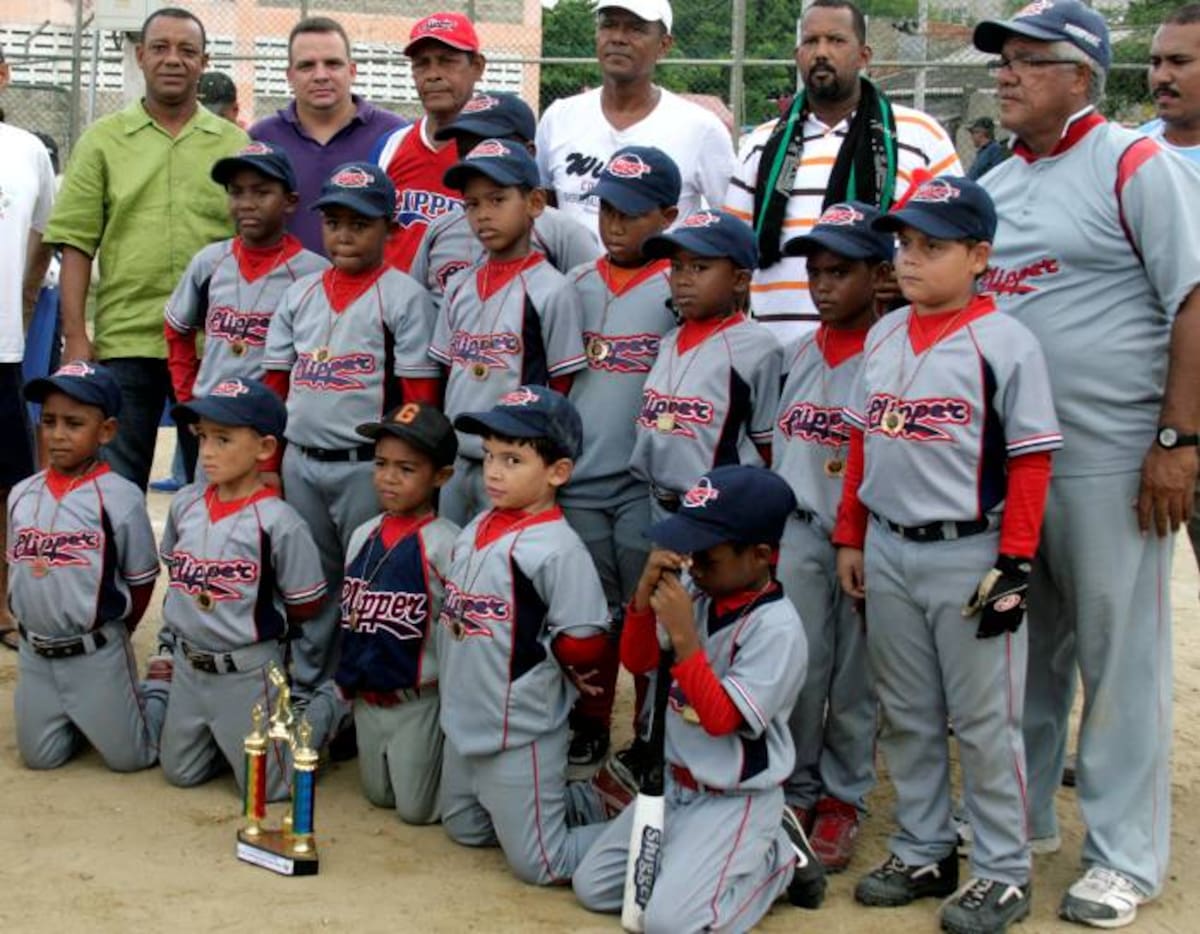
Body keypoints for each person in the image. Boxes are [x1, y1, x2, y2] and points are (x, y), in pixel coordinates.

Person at [973, 1, 1200, 924]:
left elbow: (1193, 301)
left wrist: (1178, 444)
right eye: (1005, 61)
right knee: (1018, 652)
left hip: (1115, 459)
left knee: (1121, 661)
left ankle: (1124, 855)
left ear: (1082, 77)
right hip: (1016, 465)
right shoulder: (1002, 178)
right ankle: (1020, 823)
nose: (1008, 75)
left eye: (1030, 61)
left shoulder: (1135, 164)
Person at [832, 176, 1061, 934]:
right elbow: (862, 439)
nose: (911, 259)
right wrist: (850, 534)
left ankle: (1001, 869)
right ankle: (925, 846)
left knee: (985, 719)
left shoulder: (1006, 341)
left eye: (934, 246)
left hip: (973, 554)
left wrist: (1016, 563)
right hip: (891, 546)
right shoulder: (886, 333)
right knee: (908, 713)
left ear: (980, 256)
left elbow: (1030, 461)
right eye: (904, 244)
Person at [572, 465, 828, 929]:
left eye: (708, 555)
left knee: (669, 925)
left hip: (735, 799)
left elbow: (721, 719)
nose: (693, 562)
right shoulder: (697, 591)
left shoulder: (778, 629)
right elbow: (637, 660)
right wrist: (642, 597)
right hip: (673, 789)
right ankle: (703, 865)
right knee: (594, 888)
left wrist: (685, 636)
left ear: (760, 555)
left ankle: (777, 859)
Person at [42, 8, 248, 491]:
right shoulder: (103, 141)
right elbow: (75, 242)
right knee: (116, 487)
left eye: (187, 51)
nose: (173, 60)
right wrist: (76, 337)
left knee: (217, 489)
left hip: (213, 347)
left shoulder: (236, 145)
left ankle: (207, 569)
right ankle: (123, 570)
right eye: (160, 48)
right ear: (141, 56)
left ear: (204, 61)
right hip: (126, 340)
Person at [262, 162, 438, 702]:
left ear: (391, 229)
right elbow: (274, 385)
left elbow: (419, 399)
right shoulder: (299, 294)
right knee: (314, 582)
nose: (344, 233)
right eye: (334, 221)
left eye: (359, 223)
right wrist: (269, 463)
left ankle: (357, 691)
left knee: (368, 582)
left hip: (368, 464)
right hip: (302, 458)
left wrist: (409, 473)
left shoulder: (404, 297)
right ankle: (313, 686)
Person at [437, 386, 624, 884]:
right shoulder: (477, 524)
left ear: (558, 472)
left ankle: (664, 831)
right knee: (463, 827)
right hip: (467, 716)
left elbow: (584, 642)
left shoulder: (559, 548)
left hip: (520, 726)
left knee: (543, 863)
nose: (494, 471)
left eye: (514, 459)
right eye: (490, 456)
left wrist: (563, 675)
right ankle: (581, 798)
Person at [724, 0, 960, 347]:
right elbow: (734, 252)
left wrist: (909, 273)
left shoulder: (921, 135)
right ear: (797, 54)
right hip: (776, 355)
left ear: (864, 55)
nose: (821, 52)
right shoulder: (761, 143)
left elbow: (957, 241)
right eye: (811, 41)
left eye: (836, 41)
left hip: (886, 350)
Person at [771, 201, 893, 871]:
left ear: (879, 275)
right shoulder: (793, 355)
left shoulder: (893, 352)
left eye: (840, 271)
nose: (822, 285)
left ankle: (844, 798)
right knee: (798, 666)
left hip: (868, 538)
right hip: (798, 531)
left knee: (853, 679)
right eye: (815, 271)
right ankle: (797, 786)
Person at [559, 145, 680, 773]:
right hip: (580, 482)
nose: (614, 224)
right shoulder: (575, 284)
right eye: (607, 209)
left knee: (647, 616)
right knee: (591, 615)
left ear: (668, 214)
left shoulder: (678, 287)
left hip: (642, 483)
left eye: (632, 213)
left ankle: (650, 731)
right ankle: (590, 720)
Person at [157, 378, 326, 799]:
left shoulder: (280, 522)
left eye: (224, 439)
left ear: (265, 449)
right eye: (202, 437)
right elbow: (177, 574)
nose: (208, 451)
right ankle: (223, 734)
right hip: (191, 667)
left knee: (268, 791)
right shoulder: (186, 505)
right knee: (180, 772)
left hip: (248, 672)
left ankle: (323, 709)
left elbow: (306, 604)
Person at [9, 361, 165, 771]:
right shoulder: (22, 495)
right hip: (36, 653)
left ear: (107, 431)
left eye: (74, 423)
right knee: (40, 759)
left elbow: (142, 581)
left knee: (131, 759)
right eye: (50, 422)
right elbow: (19, 570)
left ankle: (160, 687)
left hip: (95, 652)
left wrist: (115, 635)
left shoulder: (119, 497)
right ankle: (83, 712)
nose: (58, 435)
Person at [429, 140, 587, 526]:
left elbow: (562, 385)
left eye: (497, 200)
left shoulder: (552, 288)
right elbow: (446, 372)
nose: (483, 215)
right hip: (459, 456)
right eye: (472, 204)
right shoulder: (459, 285)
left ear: (534, 203)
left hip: (516, 462)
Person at [318, 403, 460, 824]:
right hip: (368, 699)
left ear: (441, 476)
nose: (388, 477)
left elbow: (456, 637)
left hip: (419, 698)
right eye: (380, 463)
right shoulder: (363, 534)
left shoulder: (447, 544)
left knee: (416, 811)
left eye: (406, 468)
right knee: (378, 797)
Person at [629, 209, 783, 522]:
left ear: (740, 279)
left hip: (718, 512)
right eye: (676, 267)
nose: (683, 279)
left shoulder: (757, 347)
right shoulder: (669, 340)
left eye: (700, 267)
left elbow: (769, 450)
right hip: (658, 503)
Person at [165, 142, 327, 437]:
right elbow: (177, 329)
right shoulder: (210, 262)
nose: (246, 203)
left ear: (290, 201)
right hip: (212, 414)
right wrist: (187, 397)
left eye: (262, 192)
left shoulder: (314, 272)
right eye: (236, 192)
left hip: (273, 421)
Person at [536, 1, 734, 241]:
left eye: (635, 29)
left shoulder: (701, 129)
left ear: (664, 45)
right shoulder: (559, 118)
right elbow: (545, 212)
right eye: (608, 25)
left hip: (663, 278)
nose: (618, 37)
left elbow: (730, 223)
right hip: (576, 278)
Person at [410, 92, 601, 305]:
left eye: (491, 147)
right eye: (466, 150)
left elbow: (592, 310)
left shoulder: (563, 233)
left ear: (529, 152)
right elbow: (416, 312)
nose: (478, 158)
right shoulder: (440, 229)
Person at [251, 17, 407, 255]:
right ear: (289, 75)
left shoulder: (394, 135)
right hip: (283, 289)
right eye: (307, 66)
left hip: (369, 289)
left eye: (333, 64)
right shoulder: (262, 138)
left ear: (352, 70)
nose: (321, 75)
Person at [0, 42, 57, 651]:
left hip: (2, 349)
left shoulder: (25, 151)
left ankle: (4, 607)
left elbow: (44, 228)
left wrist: (19, 297)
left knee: (8, 483)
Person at [1143, 4, 1200, 583]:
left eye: (1180, 61)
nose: (1162, 75)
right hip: (1143, 416)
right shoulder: (1132, 155)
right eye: (1156, 61)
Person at [373, 12, 487, 272]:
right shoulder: (390, 145)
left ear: (478, 67)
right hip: (394, 305)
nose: (433, 75)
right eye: (421, 64)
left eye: (447, 61)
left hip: (465, 305)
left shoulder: (495, 149)